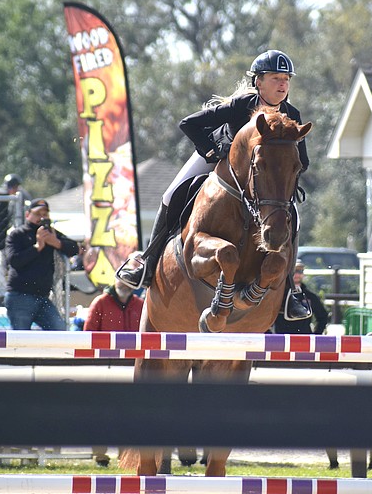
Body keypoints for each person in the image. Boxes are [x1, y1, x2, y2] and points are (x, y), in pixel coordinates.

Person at [116, 50, 311, 320]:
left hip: (260, 181)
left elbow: (303, 160)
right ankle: (146, 264)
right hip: (217, 160)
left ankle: (290, 292)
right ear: (259, 82)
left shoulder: (292, 114)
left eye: (286, 79)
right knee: (172, 194)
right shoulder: (242, 105)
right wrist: (213, 150)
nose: (283, 84)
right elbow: (190, 124)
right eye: (276, 78)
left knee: (293, 217)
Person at [83, 272, 145, 467]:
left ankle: (123, 456)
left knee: (127, 413)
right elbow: (88, 335)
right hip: (105, 366)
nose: (125, 285)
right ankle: (100, 454)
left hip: (131, 366)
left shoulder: (140, 305)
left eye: (129, 282)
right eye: (122, 280)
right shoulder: (100, 302)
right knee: (101, 411)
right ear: (115, 280)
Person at [4, 198, 79, 330]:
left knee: (59, 329)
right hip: (20, 295)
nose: (42, 218)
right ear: (28, 215)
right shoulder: (18, 234)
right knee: (20, 337)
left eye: (45, 214)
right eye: (38, 214)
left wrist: (56, 242)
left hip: (42, 297)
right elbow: (14, 261)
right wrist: (37, 246)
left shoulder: (51, 234)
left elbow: (75, 248)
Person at [272, 261, 328, 335]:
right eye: (294, 271)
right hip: (281, 340)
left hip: (303, 340)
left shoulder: (310, 296)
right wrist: (269, 335)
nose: (297, 274)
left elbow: (323, 317)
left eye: (300, 271)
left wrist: (315, 336)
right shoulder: (277, 296)